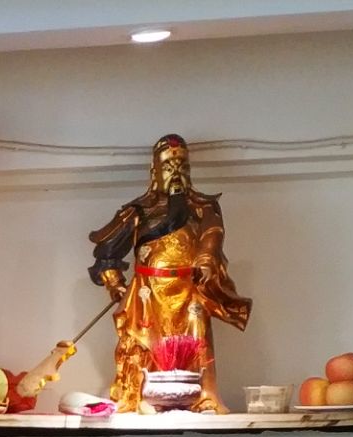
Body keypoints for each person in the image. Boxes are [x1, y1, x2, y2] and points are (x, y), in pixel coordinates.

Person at [88, 134, 252, 413]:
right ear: (154, 171)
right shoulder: (138, 211)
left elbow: (212, 234)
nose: (176, 173)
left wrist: (205, 258)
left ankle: (204, 396)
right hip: (148, 293)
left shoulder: (203, 207)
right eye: (168, 167)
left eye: (182, 167)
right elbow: (107, 252)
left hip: (189, 290)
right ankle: (142, 397)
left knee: (197, 341)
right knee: (145, 344)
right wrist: (115, 284)